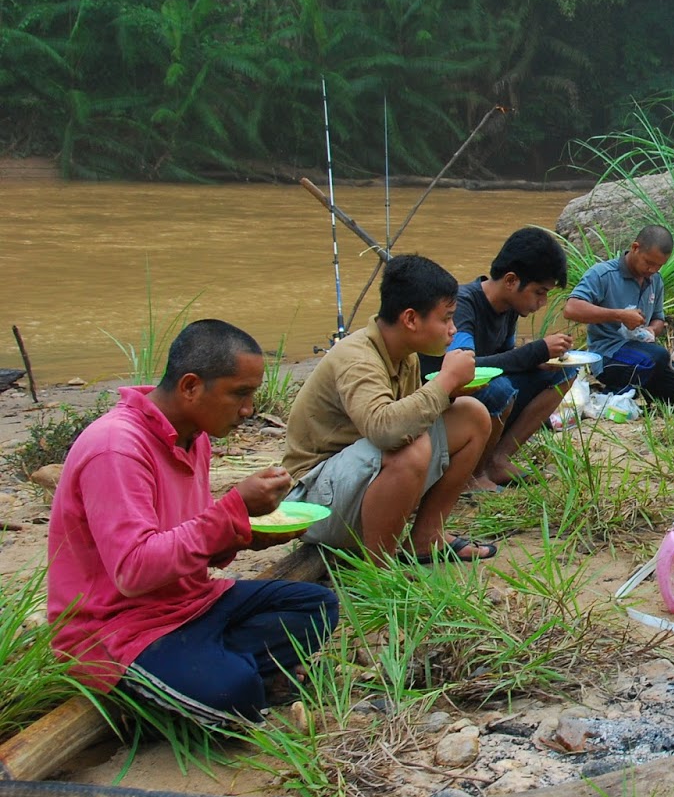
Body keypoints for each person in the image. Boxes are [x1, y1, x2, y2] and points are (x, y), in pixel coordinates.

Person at [46, 319, 339, 728]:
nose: (248, 410)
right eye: (239, 393)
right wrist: (233, 509)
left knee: (314, 604)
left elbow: (188, 537)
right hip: (117, 630)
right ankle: (215, 679)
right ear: (190, 386)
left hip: (188, 604)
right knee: (234, 693)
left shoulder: (194, 437)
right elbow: (134, 570)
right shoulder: (116, 448)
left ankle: (208, 669)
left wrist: (247, 534)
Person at [282, 254, 495, 562]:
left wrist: (449, 393)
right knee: (411, 447)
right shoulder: (358, 357)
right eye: (446, 318)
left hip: (353, 485)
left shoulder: (404, 353)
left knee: (472, 415)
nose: (453, 329)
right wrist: (445, 382)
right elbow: (387, 431)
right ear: (410, 319)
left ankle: (426, 538)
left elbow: (405, 421)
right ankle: (380, 569)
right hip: (312, 503)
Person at [420, 227, 576, 488]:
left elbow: (505, 357)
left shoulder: (509, 308)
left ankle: (498, 459)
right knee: (499, 390)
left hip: (480, 397)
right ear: (511, 280)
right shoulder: (463, 305)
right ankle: (473, 473)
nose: (543, 302)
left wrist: (537, 360)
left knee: (563, 372)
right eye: (539, 292)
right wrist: (533, 351)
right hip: (443, 402)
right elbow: (464, 369)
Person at [564, 224, 674, 405]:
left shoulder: (655, 280)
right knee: (658, 356)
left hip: (643, 351)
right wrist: (620, 315)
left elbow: (659, 318)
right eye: (649, 263)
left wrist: (651, 330)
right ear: (635, 248)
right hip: (608, 356)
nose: (653, 270)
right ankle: (616, 390)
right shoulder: (603, 274)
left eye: (659, 266)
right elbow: (571, 308)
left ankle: (638, 392)